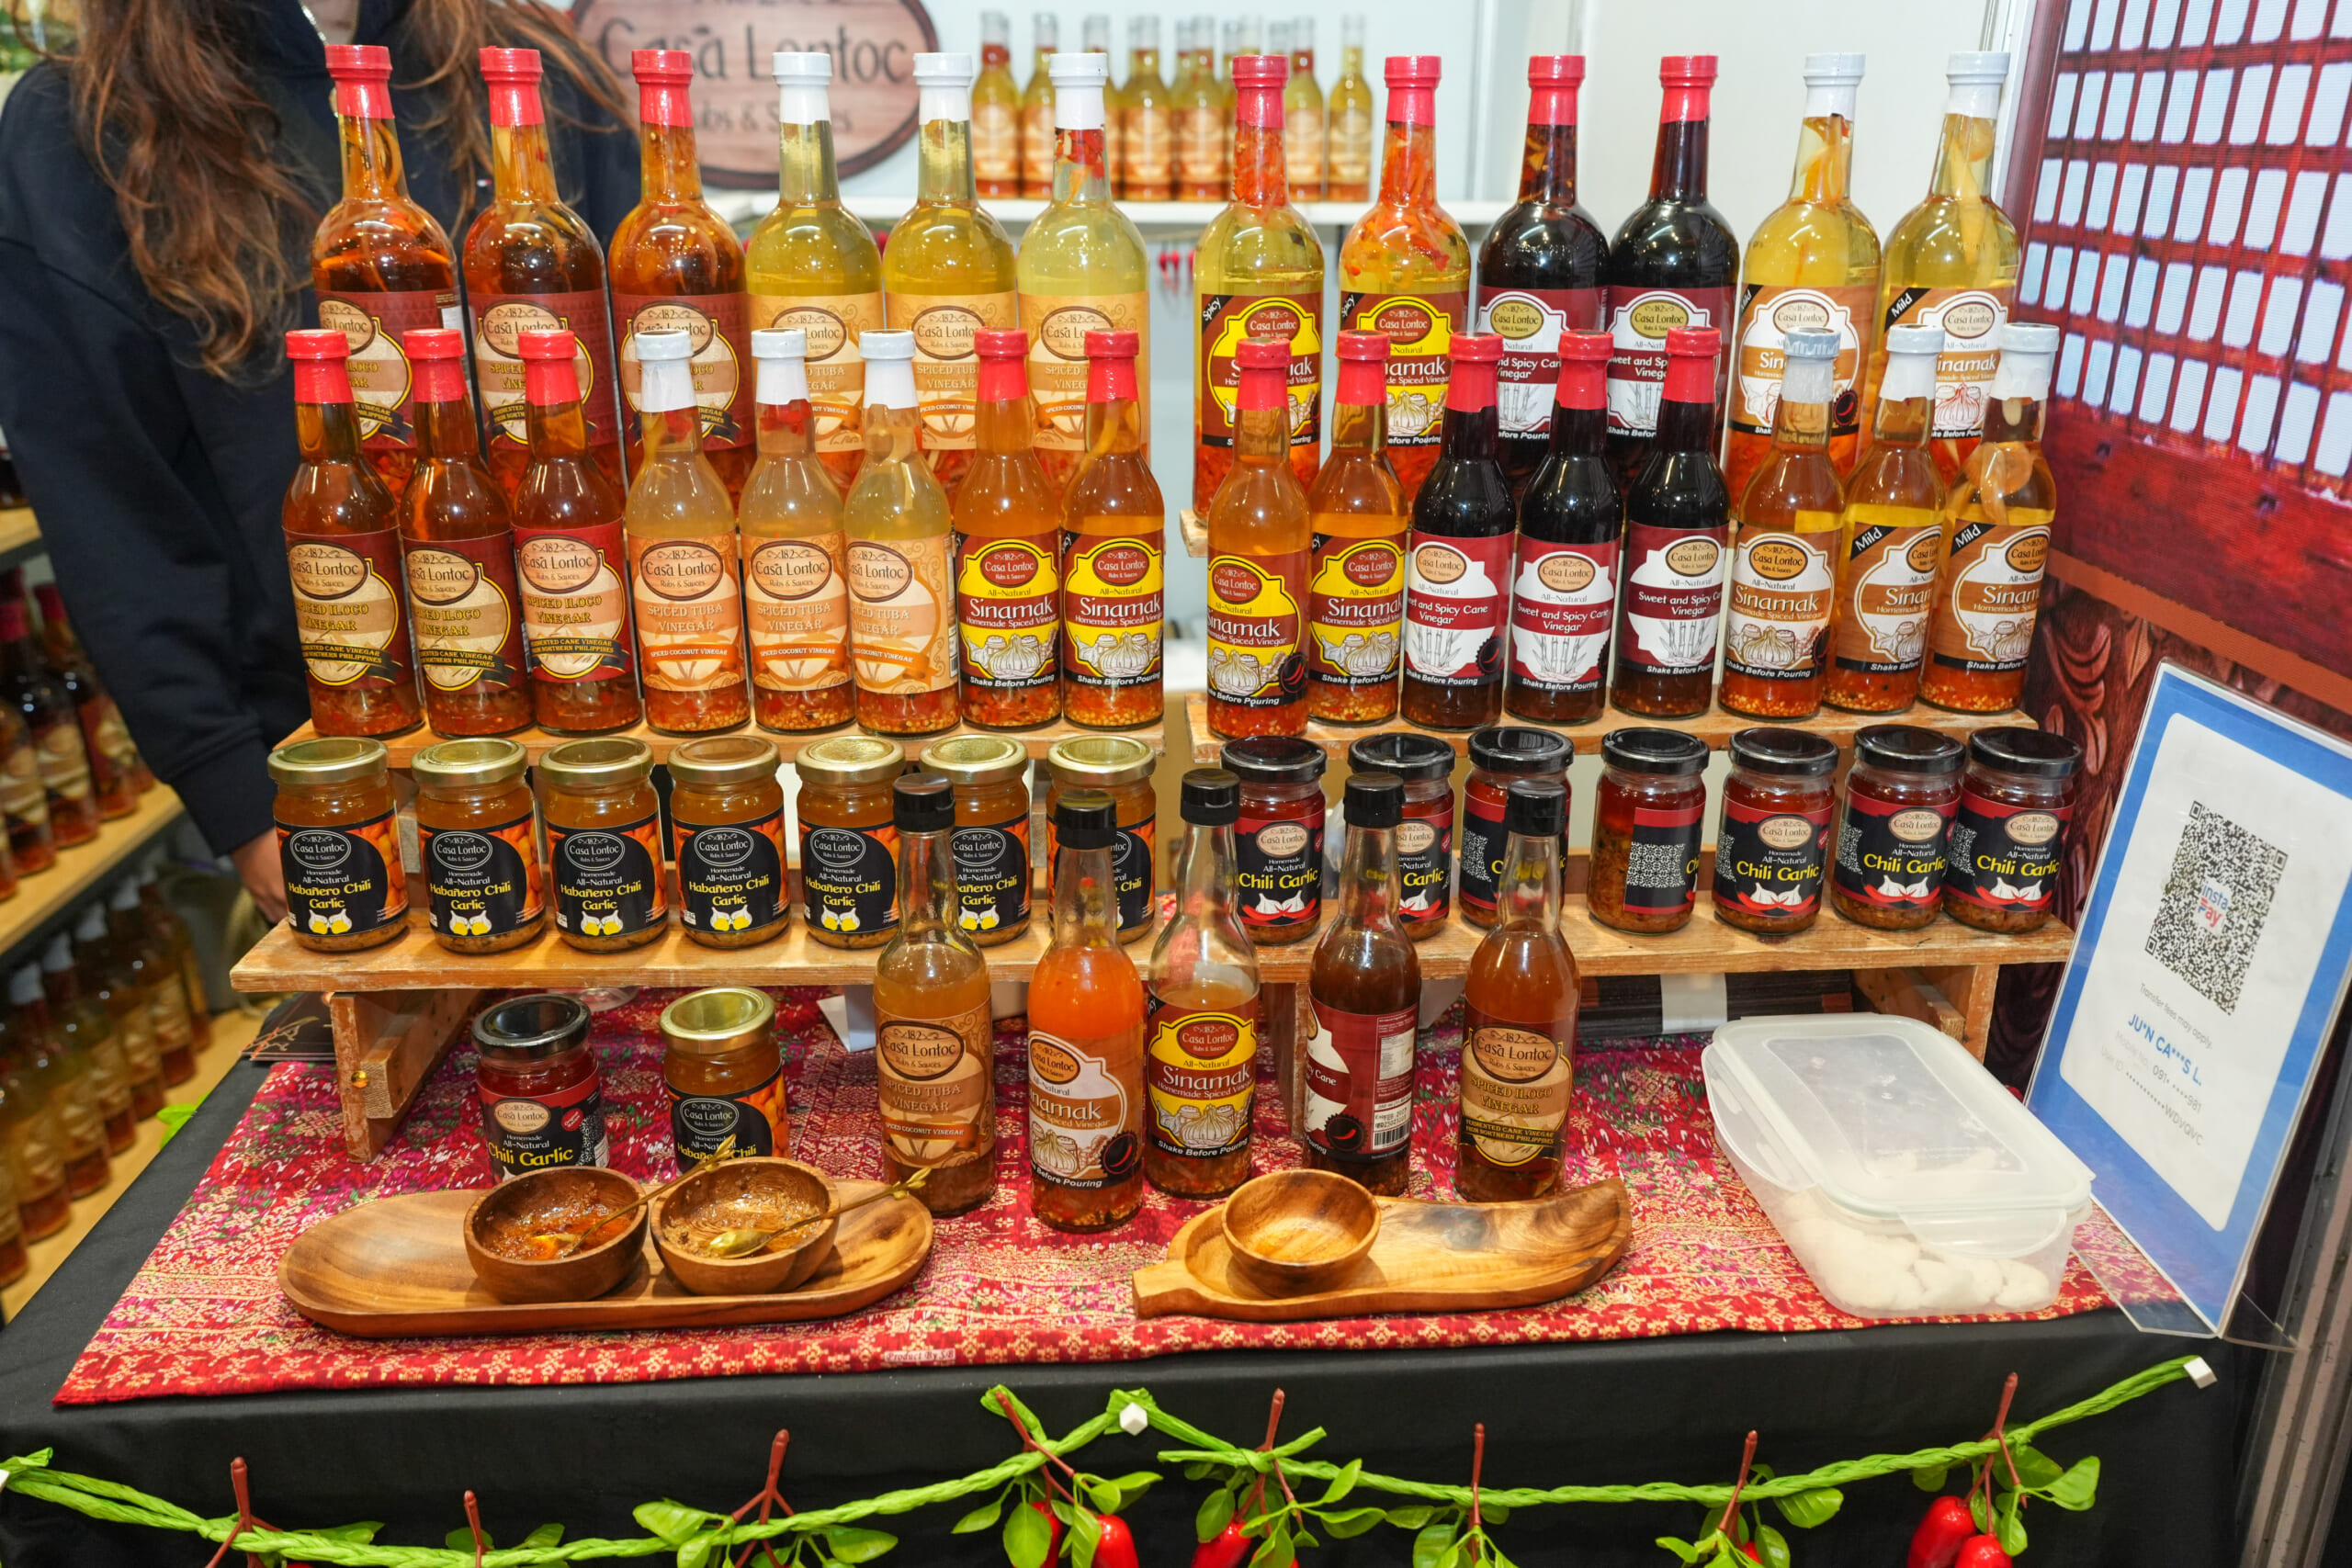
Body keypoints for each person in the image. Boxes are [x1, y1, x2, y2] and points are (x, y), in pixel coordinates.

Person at [0, 0, 637, 919]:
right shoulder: (85, 124)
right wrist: (234, 794)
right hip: (335, 760)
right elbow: (110, 506)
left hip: (605, 735)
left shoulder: (530, 65)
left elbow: (648, 403)